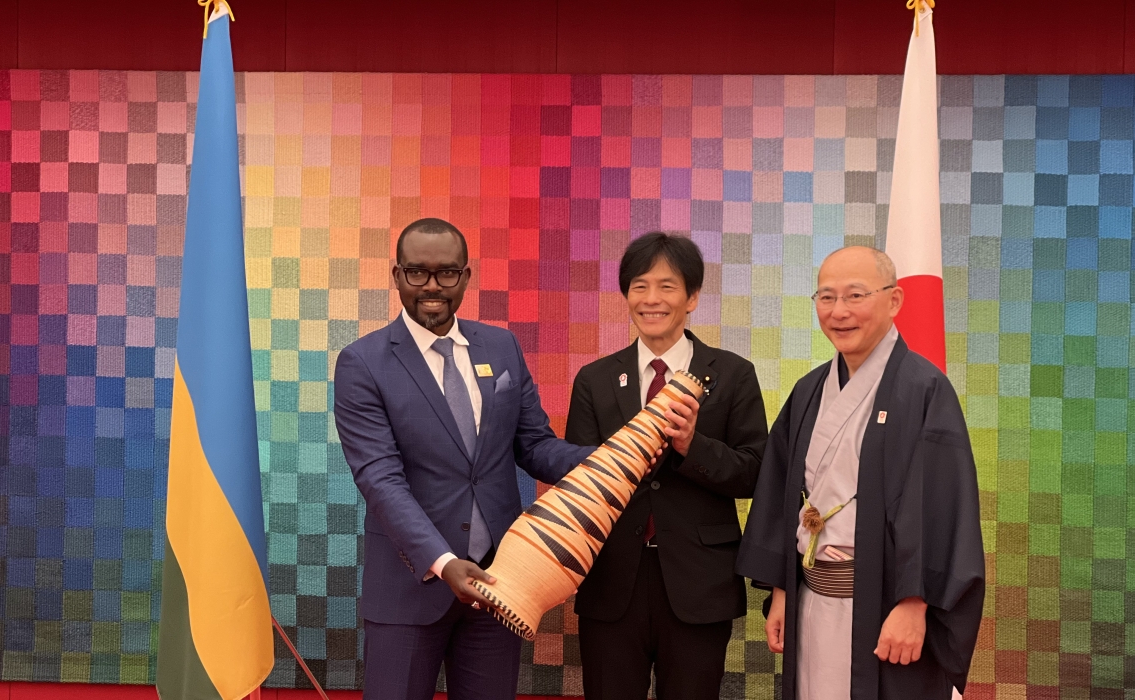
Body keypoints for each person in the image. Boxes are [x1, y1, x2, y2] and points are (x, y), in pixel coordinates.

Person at [333, 218, 594, 700]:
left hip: (498, 586)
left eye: (446, 274)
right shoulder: (363, 363)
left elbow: (535, 447)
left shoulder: (502, 347)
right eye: (417, 273)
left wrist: (618, 459)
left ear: (466, 277)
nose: (432, 287)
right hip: (409, 592)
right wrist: (444, 561)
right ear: (396, 276)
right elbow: (380, 479)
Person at [736, 246, 985, 700]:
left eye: (855, 295)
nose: (839, 311)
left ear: (894, 301)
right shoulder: (810, 389)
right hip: (811, 598)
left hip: (886, 606)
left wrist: (915, 604)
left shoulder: (925, 390)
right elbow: (781, 491)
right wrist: (783, 590)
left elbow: (941, 507)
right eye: (826, 297)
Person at [565, 232, 768, 699]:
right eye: (639, 286)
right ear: (626, 296)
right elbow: (579, 481)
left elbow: (755, 472)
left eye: (667, 286)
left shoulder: (733, 374)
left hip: (699, 582)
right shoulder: (595, 380)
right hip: (612, 581)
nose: (651, 299)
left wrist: (691, 446)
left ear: (692, 297)